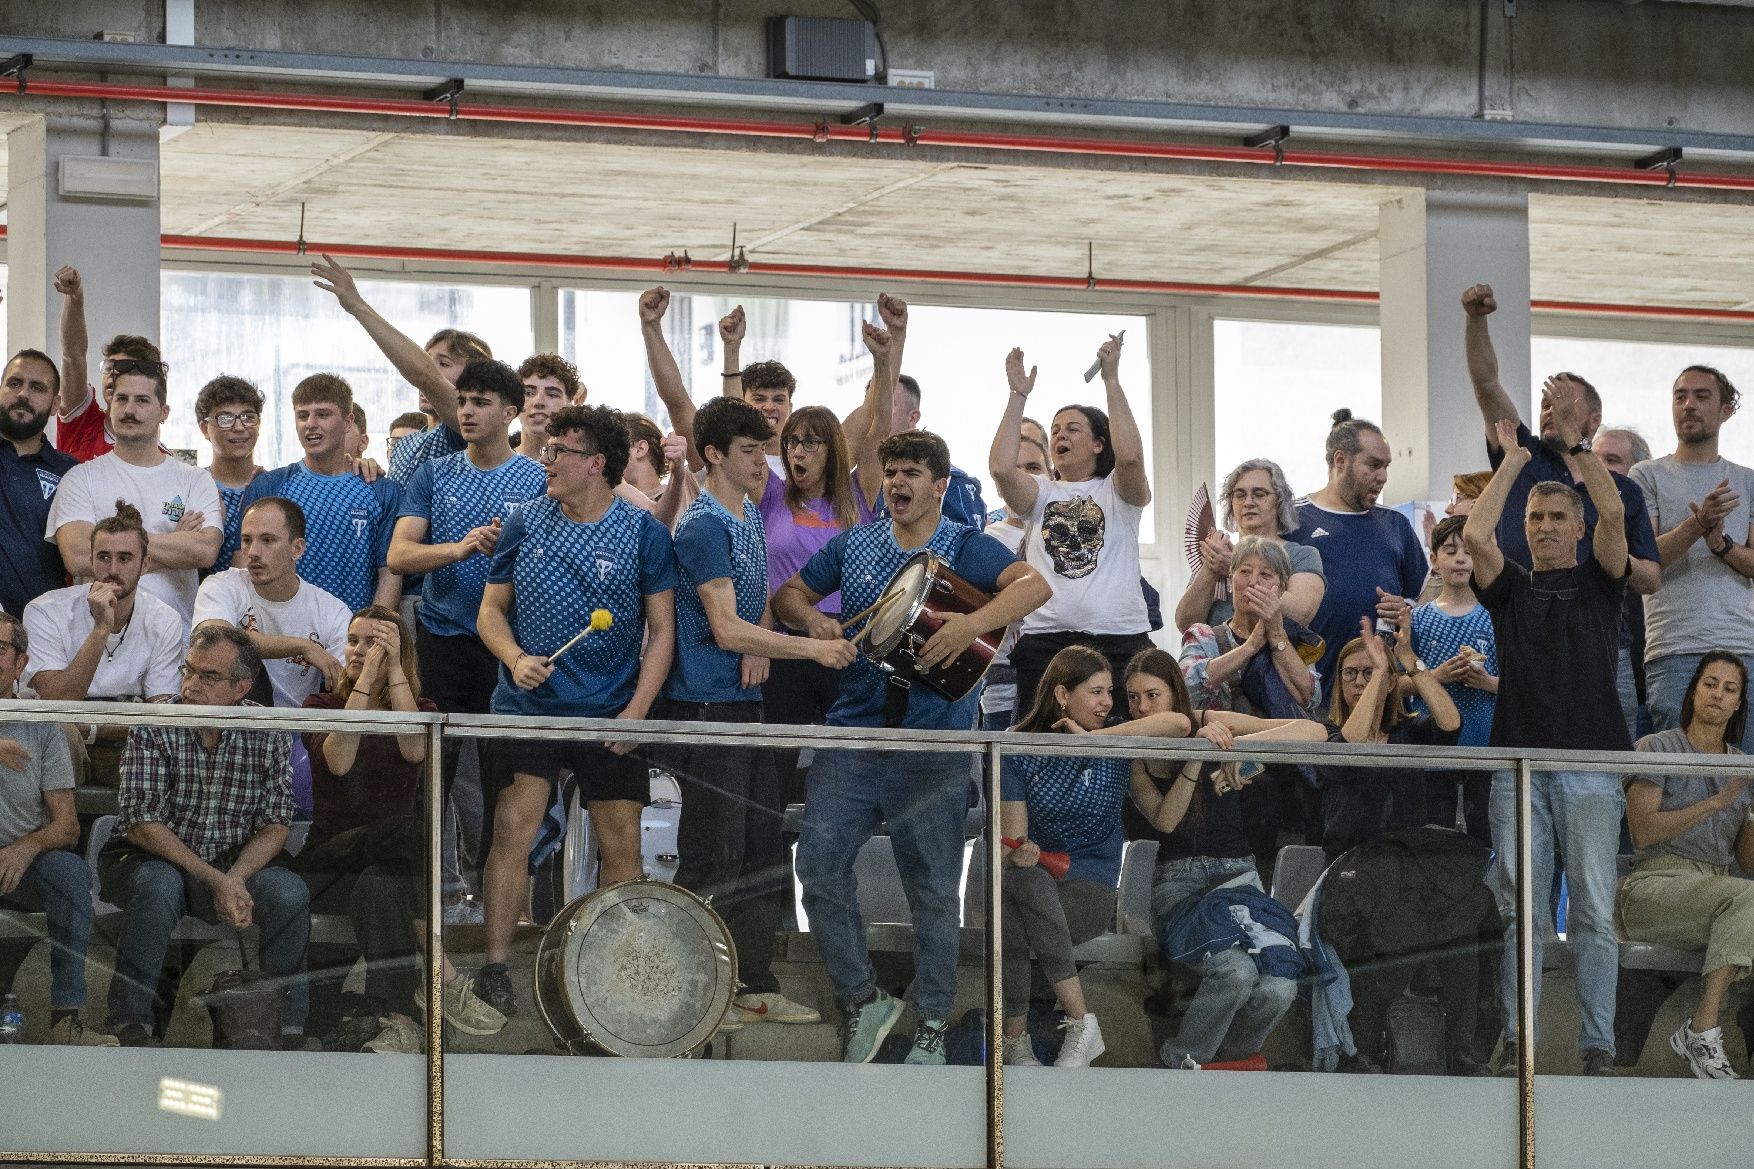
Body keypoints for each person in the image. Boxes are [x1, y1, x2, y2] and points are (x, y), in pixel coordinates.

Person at [775, 429, 1049, 1064]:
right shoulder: (856, 543)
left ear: (939, 485)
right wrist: (815, 621)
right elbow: (789, 595)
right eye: (890, 472)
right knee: (817, 864)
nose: (897, 484)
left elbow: (1034, 587)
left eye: (911, 474)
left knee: (931, 888)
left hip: (934, 744)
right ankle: (864, 1000)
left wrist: (971, 624)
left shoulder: (965, 544)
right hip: (853, 733)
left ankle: (930, 1026)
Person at [657, 395, 858, 1029]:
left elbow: (754, 611)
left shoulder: (745, 517)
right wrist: (808, 647)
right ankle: (693, 984)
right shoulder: (702, 525)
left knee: (756, 850)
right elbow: (724, 627)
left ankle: (751, 981)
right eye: (750, 453)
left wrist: (767, 643)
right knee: (713, 852)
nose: (763, 465)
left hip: (745, 702)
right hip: (704, 707)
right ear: (713, 455)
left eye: (763, 453)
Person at [474, 404, 677, 1017]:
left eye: (559, 452)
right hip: (526, 706)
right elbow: (489, 611)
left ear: (596, 464)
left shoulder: (644, 534)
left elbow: (662, 630)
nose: (546, 460)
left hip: (612, 711)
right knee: (515, 823)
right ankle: (493, 967)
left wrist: (636, 712)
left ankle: (613, 973)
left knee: (622, 844)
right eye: (547, 450)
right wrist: (513, 658)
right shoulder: (524, 522)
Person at [1465, 409, 1630, 1077]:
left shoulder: (1599, 582)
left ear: (1577, 528)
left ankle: (1599, 1047)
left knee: (1592, 910)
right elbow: (1476, 532)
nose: (1546, 527)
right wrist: (1512, 461)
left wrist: (1578, 450)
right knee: (1522, 917)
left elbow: (1615, 517)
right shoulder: (1510, 591)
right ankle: (1519, 1042)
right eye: (1536, 518)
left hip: (1590, 767)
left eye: (1559, 517)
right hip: (1520, 768)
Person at [295, 606, 504, 1051]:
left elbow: (414, 750)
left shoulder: (422, 709)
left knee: (380, 886)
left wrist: (389, 673)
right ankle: (442, 973)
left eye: (375, 643)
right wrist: (367, 679)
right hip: (329, 858)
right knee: (408, 833)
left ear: (400, 655)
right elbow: (339, 760)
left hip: (386, 870)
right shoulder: (321, 704)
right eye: (354, 640)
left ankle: (398, 1019)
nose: (360, 651)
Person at [1460, 282, 1661, 733]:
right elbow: (1486, 382)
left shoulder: (1620, 491)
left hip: (1603, 638)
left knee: (1600, 759)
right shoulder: (1523, 455)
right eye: (1546, 405)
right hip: (1520, 621)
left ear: (1593, 419)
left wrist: (1597, 561)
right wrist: (1476, 321)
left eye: (1564, 406)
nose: (1550, 413)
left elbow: (1649, 576)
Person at [100, 625, 309, 1047]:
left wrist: (234, 876)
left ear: (242, 687)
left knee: (289, 893)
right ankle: (129, 1022)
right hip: (154, 855)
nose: (192, 686)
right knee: (159, 886)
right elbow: (141, 821)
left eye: (208, 677)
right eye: (188, 671)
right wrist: (218, 880)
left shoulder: (266, 729)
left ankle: (286, 1026)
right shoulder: (155, 723)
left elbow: (276, 822)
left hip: (236, 857)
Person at [1121, 648, 1324, 1071]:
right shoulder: (1137, 753)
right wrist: (1196, 757)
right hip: (1178, 884)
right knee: (1236, 973)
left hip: (1238, 877)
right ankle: (1180, 1060)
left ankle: (1228, 1060)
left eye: (1152, 695)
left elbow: (1312, 732)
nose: (1142, 707)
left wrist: (1233, 747)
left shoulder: (1209, 721)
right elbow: (1166, 821)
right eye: (1133, 697)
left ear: (1175, 695)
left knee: (1280, 988)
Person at [747, 298, 901, 794]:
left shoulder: (860, 492)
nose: (798, 450)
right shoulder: (769, 493)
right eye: (792, 442)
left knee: (852, 769)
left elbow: (880, 429)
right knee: (774, 772)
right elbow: (726, 427)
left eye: (811, 442)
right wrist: (732, 353)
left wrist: (887, 356)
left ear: (833, 448)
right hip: (789, 646)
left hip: (852, 646)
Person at [990, 337, 1153, 711]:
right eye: (1056, 429)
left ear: (1099, 443)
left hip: (1119, 640)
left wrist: (1111, 379)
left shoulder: (1118, 494)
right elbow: (1001, 467)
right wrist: (1017, 396)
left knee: (1117, 749)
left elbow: (1129, 456)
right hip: (1047, 642)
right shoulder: (1041, 494)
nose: (1060, 434)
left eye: (1073, 428)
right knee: (1043, 751)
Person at [1621, 652, 1754, 1080]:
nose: (1718, 694)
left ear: (1738, 704)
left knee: (1744, 898)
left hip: (1720, 891)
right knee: (1746, 899)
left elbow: (1746, 862)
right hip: (1653, 884)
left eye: (1729, 689)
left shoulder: (1741, 763)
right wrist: (1717, 801)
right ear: (1694, 690)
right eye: (1710, 683)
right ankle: (1702, 1029)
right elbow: (1642, 832)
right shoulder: (1657, 747)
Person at [0, 612, 117, 1045]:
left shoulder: (41, 723)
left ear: (20, 662)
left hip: (20, 865)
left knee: (70, 872)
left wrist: (25, 848)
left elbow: (67, 826)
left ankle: (67, 1018)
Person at [46, 353, 222, 625]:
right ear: (110, 406)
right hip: (96, 638)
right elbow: (79, 556)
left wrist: (109, 548)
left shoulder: (195, 480)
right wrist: (173, 547)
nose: (129, 410)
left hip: (174, 639)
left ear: (164, 412)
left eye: (142, 400)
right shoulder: (80, 478)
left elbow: (204, 551)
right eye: (121, 399)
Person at [1630, 366, 1754, 751]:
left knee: (1744, 777)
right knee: (1677, 774)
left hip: (1742, 647)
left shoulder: (1747, 479)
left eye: (1702, 396)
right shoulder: (1645, 474)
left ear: (1726, 410)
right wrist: (1698, 524)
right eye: (1680, 396)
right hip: (1674, 647)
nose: (1689, 405)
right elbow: (1644, 564)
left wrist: (1721, 544)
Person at [309, 254, 491, 483]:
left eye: (443, 364)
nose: (429, 370)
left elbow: (424, 376)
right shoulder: (404, 445)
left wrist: (358, 306)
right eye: (428, 360)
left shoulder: (471, 428)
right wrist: (367, 470)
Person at [1287, 410, 1428, 693]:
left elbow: (1425, 598)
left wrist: (1407, 608)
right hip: (1311, 694)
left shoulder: (1396, 525)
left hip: (1381, 694)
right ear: (1340, 460)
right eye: (1373, 465)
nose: (1383, 477)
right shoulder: (1293, 521)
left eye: (1386, 466)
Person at [240, 374, 403, 613]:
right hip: (280, 633)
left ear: (348, 423)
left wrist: (370, 633)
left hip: (351, 636)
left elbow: (389, 573)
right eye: (303, 415)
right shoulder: (270, 486)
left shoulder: (381, 490)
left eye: (323, 414)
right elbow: (244, 566)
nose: (311, 423)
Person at [1319, 617, 1462, 861]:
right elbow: (1347, 749)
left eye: (1368, 672)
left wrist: (1408, 658)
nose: (1359, 682)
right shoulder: (1326, 733)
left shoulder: (1408, 730)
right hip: (1346, 864)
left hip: (1404, 863)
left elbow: (1450, 724)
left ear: (1391, 683)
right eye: (1350, 673)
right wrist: (1378, 674)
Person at [193, 498, 351, 709]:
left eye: (267, 540)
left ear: (297, 549)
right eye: (247, 540)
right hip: (232, 723)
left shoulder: (332, 611)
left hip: (297, 730)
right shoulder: (222, 585)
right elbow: (215, 640)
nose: (253, 552)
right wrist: (303, 646)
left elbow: (349, 686)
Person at [24, 503, 183, 707]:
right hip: (61, 735)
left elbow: (160, 717)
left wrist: (93, 730)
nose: (113, 569)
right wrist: (101, 629)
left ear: (145, 565)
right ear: (91, 560)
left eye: (125, 558)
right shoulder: (44, 611)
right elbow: (55, 704)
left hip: (133, 738)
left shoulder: (165, 620)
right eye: (104, 557)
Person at [1409, 515, 1499, 840]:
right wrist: (1436, 676)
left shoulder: (1495, 616)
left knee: (1484, 836)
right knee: (1436, 838)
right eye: (1450, 550)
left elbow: (1519, 683)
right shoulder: (1417, 619)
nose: (1460, 559)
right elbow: (1400, 683)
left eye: (1469, 551)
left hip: (1484, 748)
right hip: (1431, 749)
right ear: (1434, 560)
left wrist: (1487, 682)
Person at [1176, 458, 1326, 633]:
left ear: (1279, 501)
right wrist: (1211, 569)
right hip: (1219, 656)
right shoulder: (1218, 554)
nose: (1248, 502)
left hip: (1277, 657)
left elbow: (1301, 612)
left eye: (1260, 494)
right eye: (1239, 495)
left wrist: (1235, 569)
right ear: (1231, 504)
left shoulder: (1301, 555)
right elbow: (1186, 624)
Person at [49, 266, 164, 464]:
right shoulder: (83, 423)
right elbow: (73, 355)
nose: (113, 375)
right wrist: (75, 296)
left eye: (126, 369)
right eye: (109, 368)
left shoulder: (163, 460)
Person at [978, 434, 1050, 731]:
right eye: (1014, 468)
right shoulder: (984, 540)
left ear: (1051, 476)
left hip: (1061, 676)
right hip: (1001, 684)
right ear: (999, 483)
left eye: (1033, 468)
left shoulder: (1073, 537)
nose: (1023, 477)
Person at [0, 348, 77, 616]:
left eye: (37, 387)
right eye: (14, 383)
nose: (23, 394)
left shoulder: (71, 473)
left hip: (41, 634)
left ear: (56, 405)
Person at [1597, 427, 1655, 739]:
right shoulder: (1572, 534)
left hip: (1647, 690)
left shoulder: (1650, 538)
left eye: (1612, 460)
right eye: (1593, 460)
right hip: (1597, 686)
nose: (1599, 469)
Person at [194, 376, 267, 576]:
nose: (239, 427)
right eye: (225, 419)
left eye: (248, 417)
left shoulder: (272, 486)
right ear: (204, 428)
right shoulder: (193, 487)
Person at [513, 354, 579, 453]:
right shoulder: (493, 463)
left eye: (552, 395)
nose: (539, 402)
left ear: (569, 404)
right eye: (528, 393)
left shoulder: (583, 465)